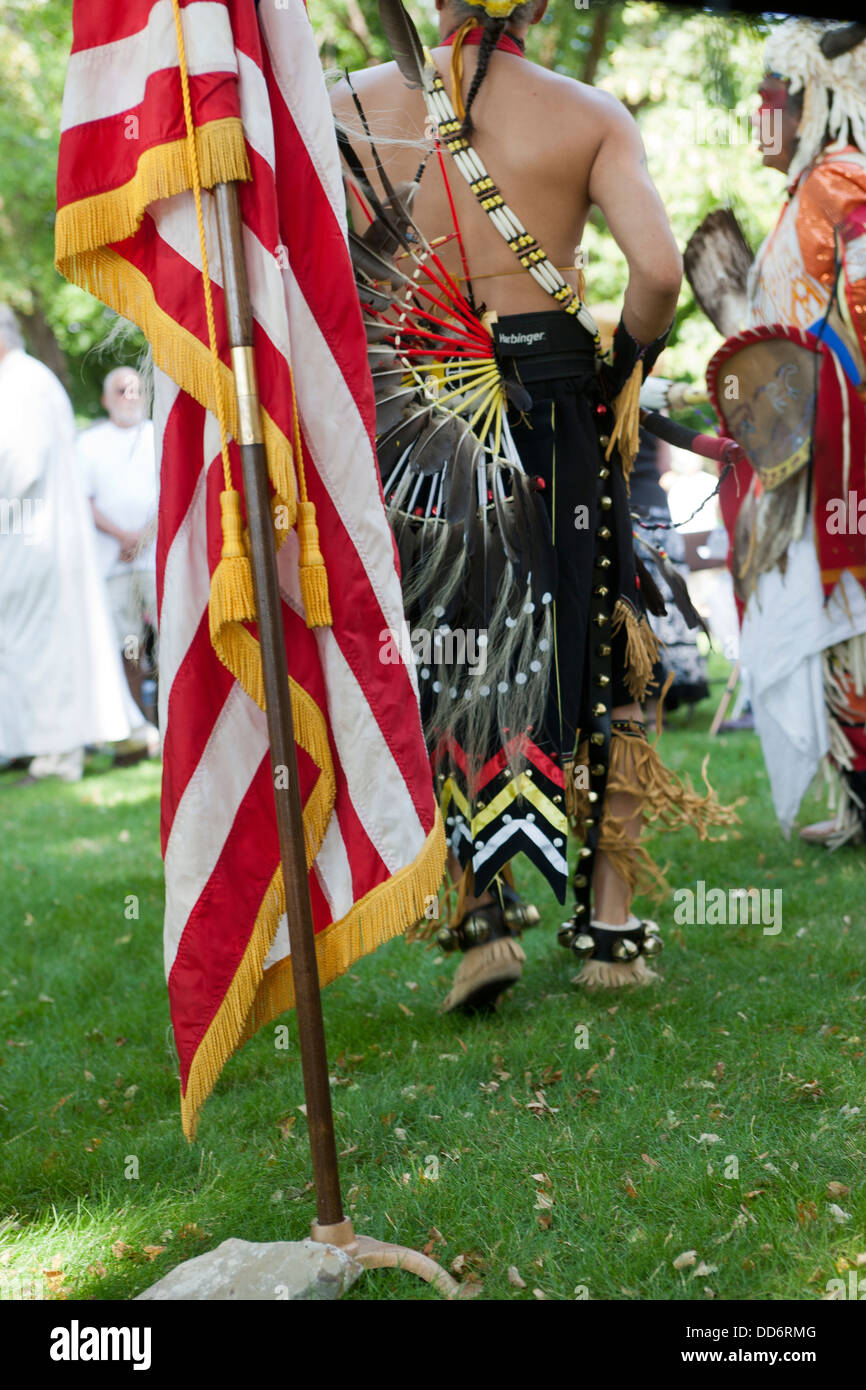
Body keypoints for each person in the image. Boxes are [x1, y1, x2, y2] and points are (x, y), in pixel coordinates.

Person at [334, 0, 736, 1007]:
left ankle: (476, 924)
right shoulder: (585, 113)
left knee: (450, 647)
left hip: (416, 421)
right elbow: (653, 271)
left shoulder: (345, 108)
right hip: (559, 414)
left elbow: (324, 275)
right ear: (539, 4)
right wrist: (627, 371)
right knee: (609, 650)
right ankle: (607, 932)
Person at [715, 19, 866, 848]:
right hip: (811, 452)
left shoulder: (840, 183)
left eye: (769, 96)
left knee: (849, 610)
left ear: (815, 98)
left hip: (843, 452)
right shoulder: (807, 192)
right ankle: (855, 796)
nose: (755, 113)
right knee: (835, 612)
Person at [0, 306, 143, 781]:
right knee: (65, 638)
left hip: (29, 533)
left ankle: (56, 752)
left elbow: (20, 469)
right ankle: (125, 735)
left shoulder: (18, 384)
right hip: (43, 532)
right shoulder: (32, 379)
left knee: (40, 642)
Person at [76, 367, 159, 732]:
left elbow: (172, 489)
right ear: (106, 400)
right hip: (113, 565)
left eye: (135, 389)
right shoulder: (89, 444)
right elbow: (83, 499)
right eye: (121, 390)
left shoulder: (158, 435)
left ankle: (175, 719)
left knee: (169, 640)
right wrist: (124, 537)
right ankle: (140, 725)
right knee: (129, 646)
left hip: (157, 559)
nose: (129, 396)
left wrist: (143, 536)